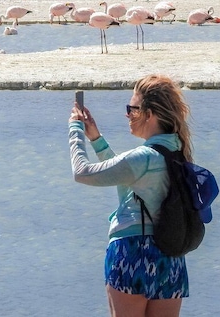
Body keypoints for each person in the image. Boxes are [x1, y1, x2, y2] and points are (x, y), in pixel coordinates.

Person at [68, 74, 194, 317]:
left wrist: (75, 129)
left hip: (132, 254)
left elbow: (82, 173)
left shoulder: (143, 157)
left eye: (132, 108)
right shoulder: (177, 152)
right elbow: (129, 181)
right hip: (170, 258)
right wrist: (96, 139)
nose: (127, 114)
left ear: (150, 114)